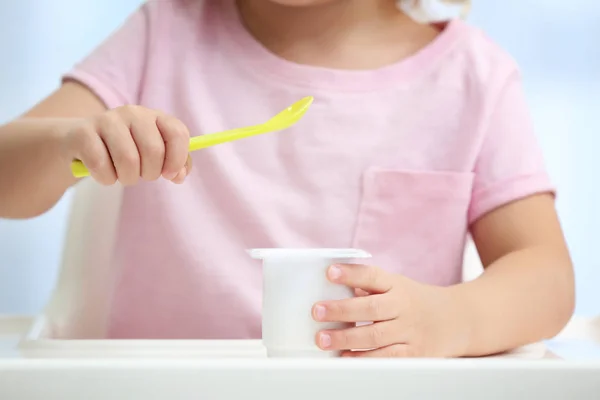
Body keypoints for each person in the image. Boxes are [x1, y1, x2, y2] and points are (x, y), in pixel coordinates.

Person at [0, 0, 574, 357]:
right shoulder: (164, 30)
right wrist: (67, 141)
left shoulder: (474, 76)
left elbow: (545, 274)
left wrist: (450, 321)